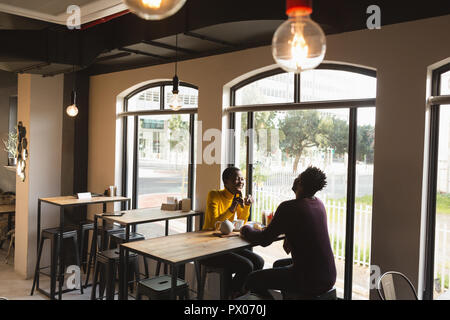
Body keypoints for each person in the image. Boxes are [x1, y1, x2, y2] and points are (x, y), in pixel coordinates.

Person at [240, 166, 336, 299]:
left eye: (298, 177)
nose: (295, 179)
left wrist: (246, 229)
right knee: (278, 265)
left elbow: (264, 240)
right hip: (328, 275)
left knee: (252, 279)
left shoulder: (289, 207)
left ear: (300, 183)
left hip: (309, 279)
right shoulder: (318, 204)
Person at [200, 167, 264, 299]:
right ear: (226, 181)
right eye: (236, 179)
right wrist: (231, 208)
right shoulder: (214, 195)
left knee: (259, 261)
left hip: (227, 245)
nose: (241, 182)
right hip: (208, 248)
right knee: (246, 265)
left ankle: (242, 292)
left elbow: (242, 221)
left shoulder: (237, 197)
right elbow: (214, 224)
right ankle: (232, 295)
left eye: (242, 179)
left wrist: (246, 206)